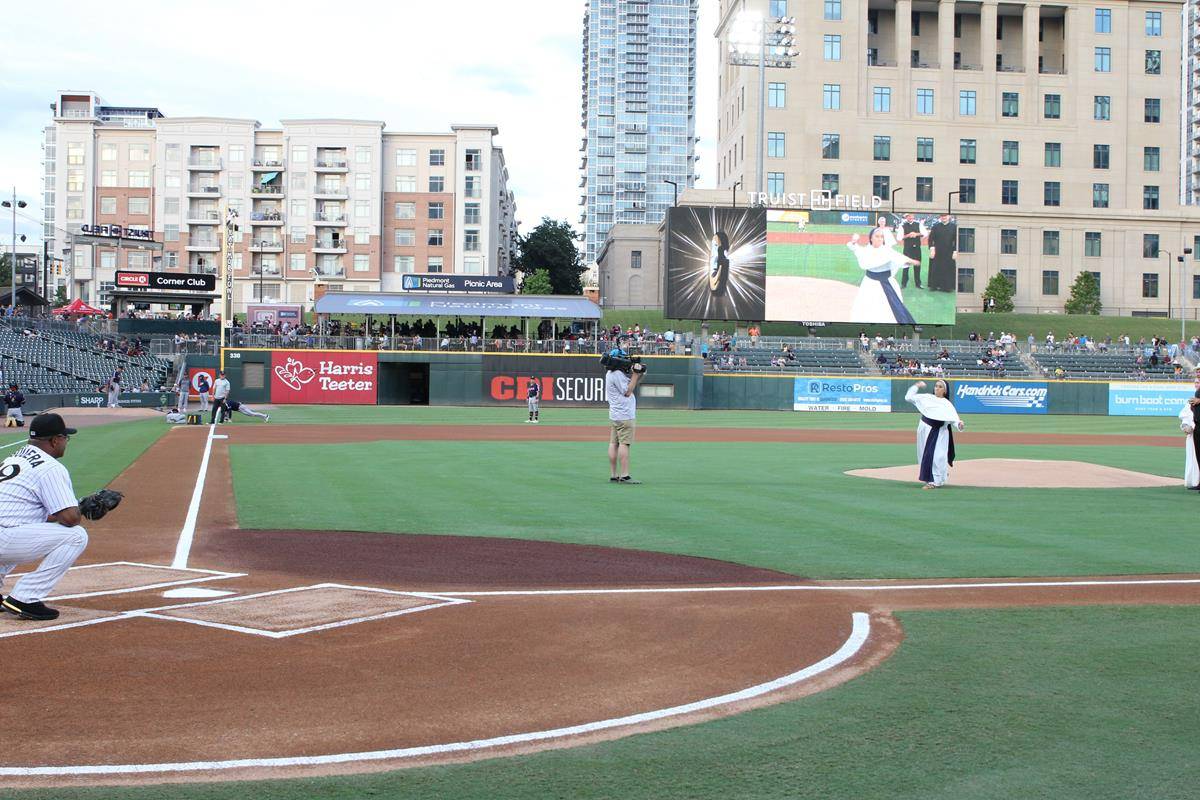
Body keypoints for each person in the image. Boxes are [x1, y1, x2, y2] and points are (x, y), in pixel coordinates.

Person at [0, 413, 87, 621]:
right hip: (4, 537)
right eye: (65, 438)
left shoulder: (12, 458)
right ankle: (25, 597)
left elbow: (27, 513)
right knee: (76, 535)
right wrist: (83, 508)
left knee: (20, 529)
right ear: (55, 440)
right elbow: (70, 519)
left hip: (6, 531)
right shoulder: (50, 467)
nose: (66, 442)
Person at [846, 228, 919, 324]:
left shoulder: (887, 250)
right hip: (870, 283)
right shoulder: (866, 251)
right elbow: (854, 247)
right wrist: (854, 241)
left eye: (881, 237)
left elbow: (899, 258)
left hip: (886, 283)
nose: (880, 239)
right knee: (868, 306)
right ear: (871, 238)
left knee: (888, 308)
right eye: (877, 236)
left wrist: (912, 261)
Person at [905, 380, 965, 490]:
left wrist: (959, 424)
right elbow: (908, 397)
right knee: (925, 454)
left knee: (938, 456)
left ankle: (935, 481)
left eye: (940, 387)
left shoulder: (947, 404)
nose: (937, 388)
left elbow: (954, 419)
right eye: (936, 386)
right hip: (924, 428)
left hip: (940, 432)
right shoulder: (927, 397)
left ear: (945, 391)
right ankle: (932, 478)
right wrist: (916, 386)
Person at [605, 348, 644, 484]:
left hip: (615, 414)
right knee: (624, 444)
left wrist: (638, 374)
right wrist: (635, 374)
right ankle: (625, 475)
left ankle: (614, 474)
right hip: (624, 415)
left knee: (613, 443)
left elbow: (630, 386)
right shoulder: (617, 374)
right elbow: (627, 391)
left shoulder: (610, 373)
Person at [925, 212, 958, 292]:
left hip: (949, 252)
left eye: (945, 216)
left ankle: (947, 287)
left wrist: (955, 251)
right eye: (942, 216)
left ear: (949, 216)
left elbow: (957, 240)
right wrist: (932, 249)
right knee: (935, 269)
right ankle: (934, 286)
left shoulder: (954, 227)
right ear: (940, 217)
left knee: (948, 269)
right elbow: (931, 239)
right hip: (937, 252)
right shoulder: (935, 227)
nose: (944, 217)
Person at [895, 212, 926, 289]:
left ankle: (918, 283)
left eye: (911, 215)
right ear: (906, 217)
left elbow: (925, 233)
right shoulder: (902, 226)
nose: (910, 217)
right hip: (907, 248)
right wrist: (908, 235)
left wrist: (916, 234)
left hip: (917, 248)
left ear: (913, 216)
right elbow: (899, 238)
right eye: (908, 216)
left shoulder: (918, 224)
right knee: (905, 266)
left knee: (917, 265)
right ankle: (904, 283)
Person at [1180, 386, 1200, 490]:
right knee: (1197, 457)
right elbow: (1186, 415)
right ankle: (1197, 482)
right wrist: (1185, 425)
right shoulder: (1192, 399)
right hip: (1196, 430)